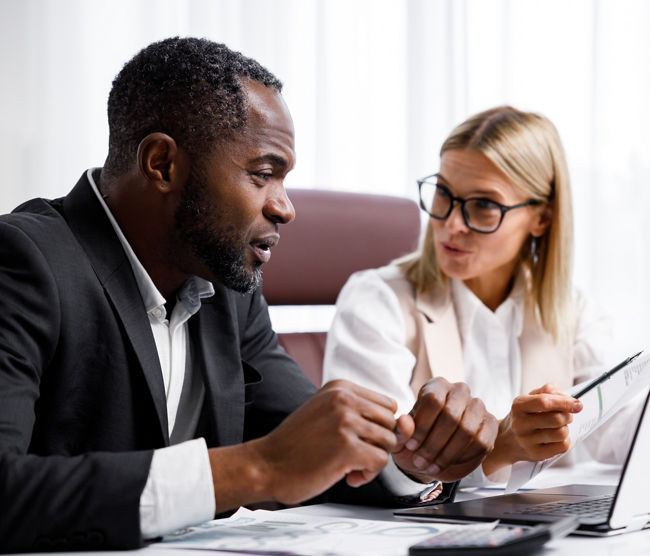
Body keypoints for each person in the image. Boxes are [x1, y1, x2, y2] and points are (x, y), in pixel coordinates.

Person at [0, 38, 498, 553]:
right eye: (263, 175)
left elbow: (310, 449)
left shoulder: (227, 286)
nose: (286, 208)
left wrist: (407, 458)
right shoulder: (22, 260)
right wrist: (257, 468)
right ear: (162, 163)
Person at [323, 105, 637, 485]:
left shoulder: (574, 311)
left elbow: (622, 430)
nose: (451, 224)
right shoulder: (377, 300)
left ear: (542, 218)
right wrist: (500, 449)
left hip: (549, 522)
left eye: (484, 205)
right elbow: (375, 464)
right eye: (443, 193)